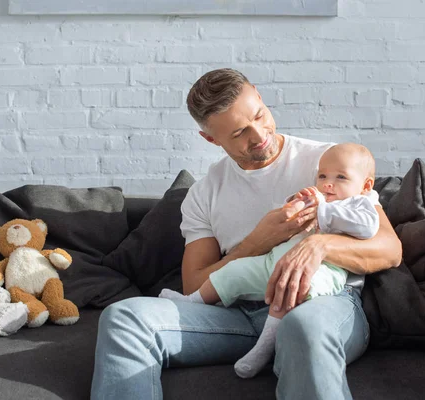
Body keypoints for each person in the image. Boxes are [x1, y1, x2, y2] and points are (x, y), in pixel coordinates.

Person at [91, 68, 402, 400]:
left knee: (303, 328)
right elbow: (195, 286)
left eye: (259, 115)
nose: (259, 135)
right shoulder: (204, 194)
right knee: (123, 318)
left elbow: (389, 249)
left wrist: (319, 245)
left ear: (259, 94)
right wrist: (259, 241)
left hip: (321, 304)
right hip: (237, 315)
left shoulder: (329, 164)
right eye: (239, 132)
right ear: (211, 139)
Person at [159, 142, 380, 379]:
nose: (328, 183)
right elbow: (287, 218)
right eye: (322, 175)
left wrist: (322, 212)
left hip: (321, 272)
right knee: (233, 271)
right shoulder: (320, 197)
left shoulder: (361, 204)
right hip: (274, 261)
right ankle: (192, 301)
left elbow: (367, 228)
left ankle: (263, 349)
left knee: (289, 288)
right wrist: (298, 202)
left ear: (365, 185)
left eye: (341, 177)